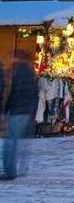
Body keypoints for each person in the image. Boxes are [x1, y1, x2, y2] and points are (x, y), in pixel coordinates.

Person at [3, 50, 37, 180]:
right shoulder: (29, 72)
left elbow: (15, 93)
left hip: (18, 111)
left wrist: (6, 110)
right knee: (17, 142)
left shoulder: (19, 72)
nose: (11, 60)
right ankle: (15, 170)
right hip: (25, 111)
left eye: (13, 57)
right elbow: (34, 94)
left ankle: (10, 172)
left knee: (11, 142)